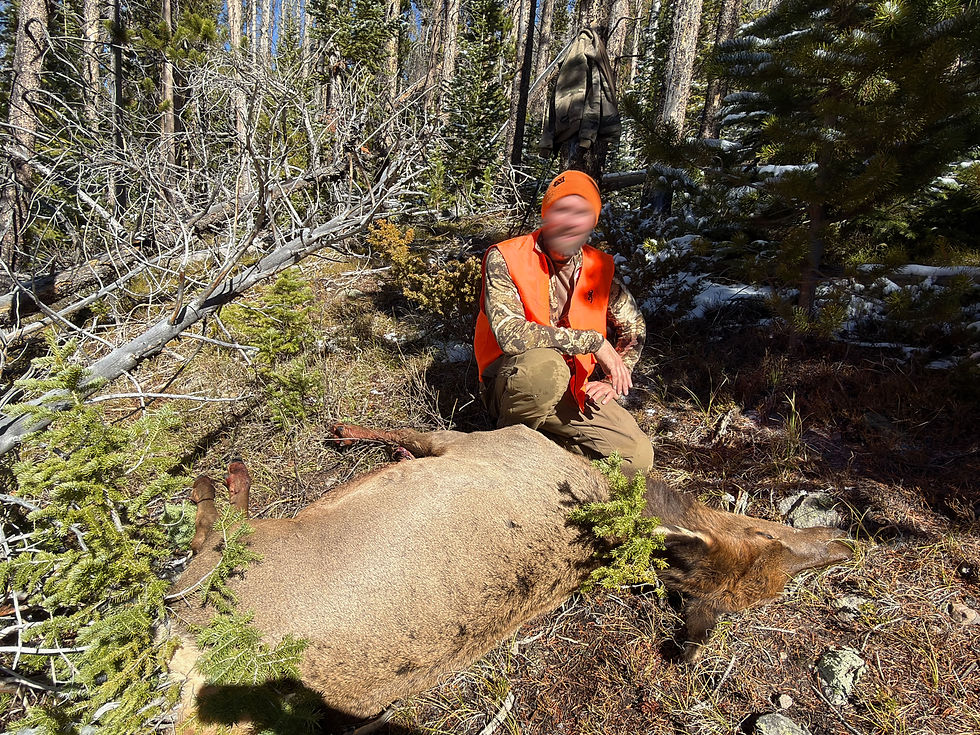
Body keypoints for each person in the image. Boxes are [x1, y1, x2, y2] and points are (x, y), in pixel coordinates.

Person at [473, 170, 653, 476]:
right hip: (514, 383)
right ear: (546, 215)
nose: (570, 221)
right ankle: (504, 460)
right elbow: (510, 335)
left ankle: (549, 458)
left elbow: (634, 327)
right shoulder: (507, 257)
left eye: (581, 213)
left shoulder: (599, 266)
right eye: (561, 210)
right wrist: (595, 343)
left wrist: (613, 379)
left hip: (573, 386)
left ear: (592, 222)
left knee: (636, 458)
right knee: (546, 370)